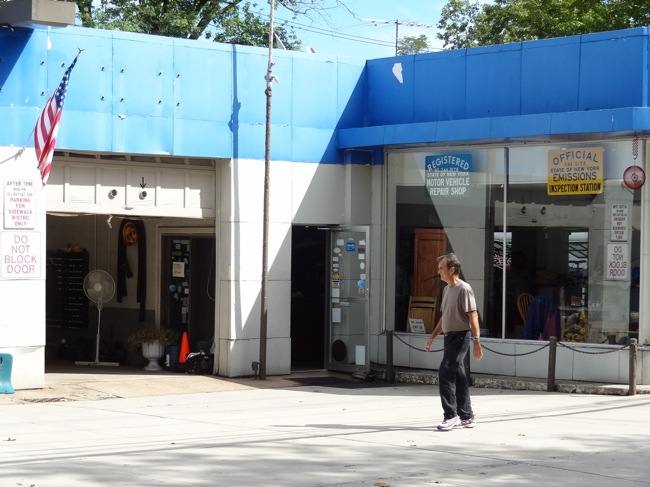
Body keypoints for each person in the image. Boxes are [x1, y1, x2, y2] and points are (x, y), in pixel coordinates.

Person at [425, 253, 483, 431]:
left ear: (452, 269)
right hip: (449, 337)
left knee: (445, 373)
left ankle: (451, 415)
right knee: (458, 376)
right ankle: (466, 415)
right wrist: (433, 337)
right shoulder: (446, 289)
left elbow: (472, 315)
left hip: (461, 336)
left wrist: (476, 342)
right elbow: (445, 318)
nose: (439, 271)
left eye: (441, 268)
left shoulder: (464, 288)